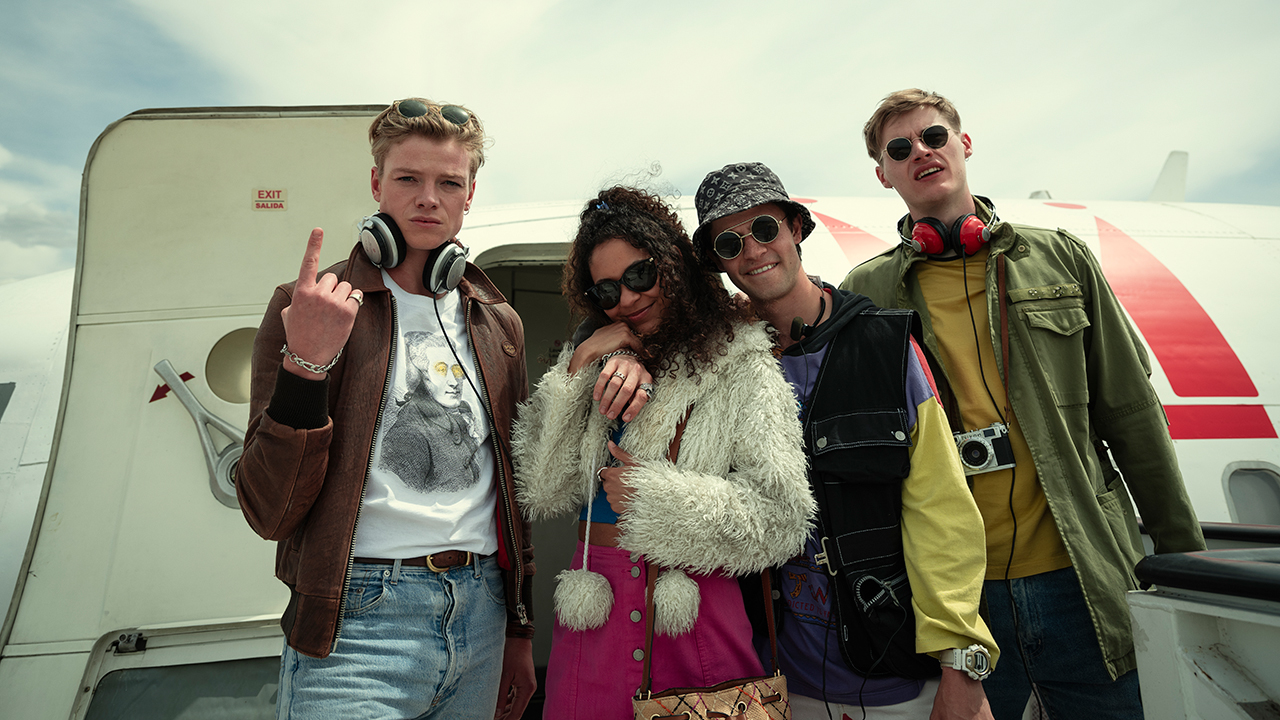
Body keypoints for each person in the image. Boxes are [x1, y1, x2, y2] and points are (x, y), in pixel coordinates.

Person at [844, 88, 1206, 719]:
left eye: (934, 137)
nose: (921, 154)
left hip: (1082, 576)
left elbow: (1131, 412)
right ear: (883, 174)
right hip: (959, 598)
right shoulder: (867, 293)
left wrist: (1187, 563)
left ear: (965, 143)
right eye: (899, 149)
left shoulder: (1059, 257)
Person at [236, 97, 536, 720]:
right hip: (356, 624)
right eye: (408, 178)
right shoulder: (307, 306)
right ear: (377, 183)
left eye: (448, 182)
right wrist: (307, 364)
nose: (429, 198)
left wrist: (519, 630)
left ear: (469, 193)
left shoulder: (497, 320)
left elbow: (515, 491)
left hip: (479, 612)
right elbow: (268, 508)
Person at [692, 162, 1000, 720]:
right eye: (729, 242)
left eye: (765, 229)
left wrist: (962, 666)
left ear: (796, 229)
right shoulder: (717, 367)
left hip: (896, 684)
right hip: (773, 684)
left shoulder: (887, 348)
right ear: (717, 263)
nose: (754, 251)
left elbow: (943, 514)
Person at [511, 186, 815, 719]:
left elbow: (782, 516)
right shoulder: (599, 363)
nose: (627, 298)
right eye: (607, 290)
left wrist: (654, 496)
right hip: (592, 614)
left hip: (692, 610)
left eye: (639, 275)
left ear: (673, 264)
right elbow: (541, 486)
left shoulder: (742, 363)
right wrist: (579, 365)